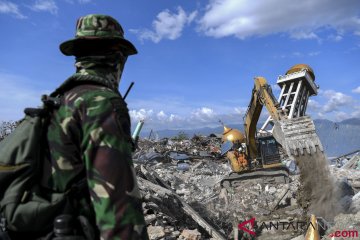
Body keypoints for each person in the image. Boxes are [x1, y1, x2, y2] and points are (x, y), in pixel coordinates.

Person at [42, 14, 148, 240]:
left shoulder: (60, 100)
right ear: (118, 58)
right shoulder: (101, 103)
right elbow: (119, 215)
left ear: (78, 57)